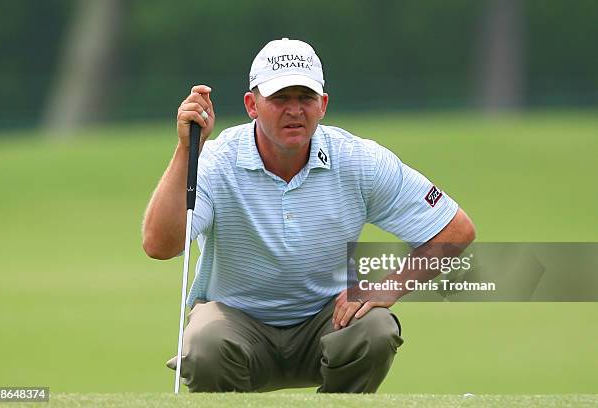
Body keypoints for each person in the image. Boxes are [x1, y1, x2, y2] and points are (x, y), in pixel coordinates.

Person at [142, 38, 475, 393]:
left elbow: (456, 230)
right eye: (280, 98)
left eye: (306, 98)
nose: (295, 110)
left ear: (323, 105)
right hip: (235, 328)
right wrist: (186, 150)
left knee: (375, 329)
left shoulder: (360, 160)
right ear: (252, 105)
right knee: (204, 343)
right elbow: (159, 245)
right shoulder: (216, 161)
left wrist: (387, 286)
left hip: (328, 324)